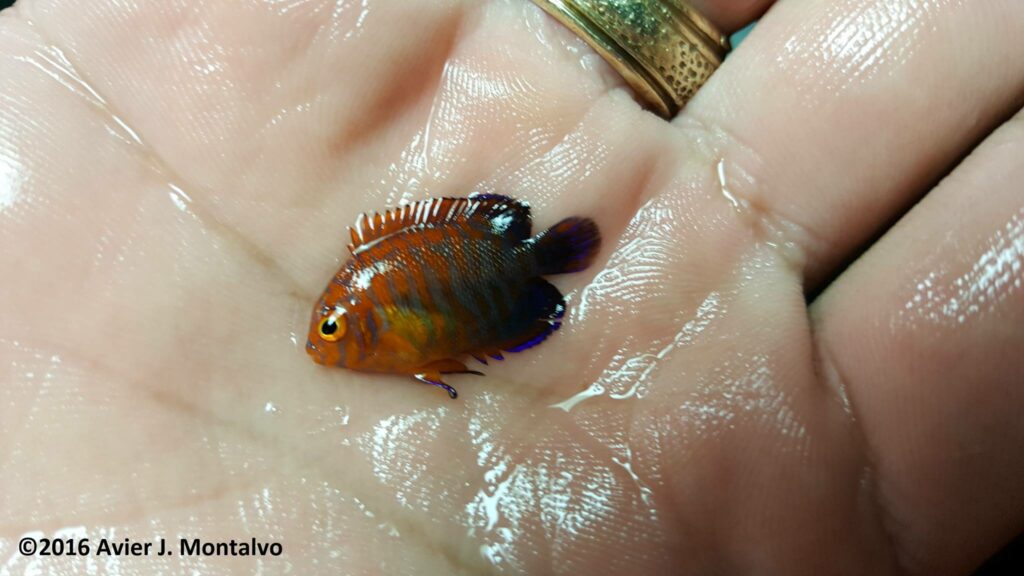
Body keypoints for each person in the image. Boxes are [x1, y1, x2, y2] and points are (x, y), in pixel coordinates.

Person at [0, 0, 1020, 574]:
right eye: (334, 323)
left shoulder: (384, 320)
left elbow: (433, 319)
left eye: (336, 324)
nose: (325, 336)